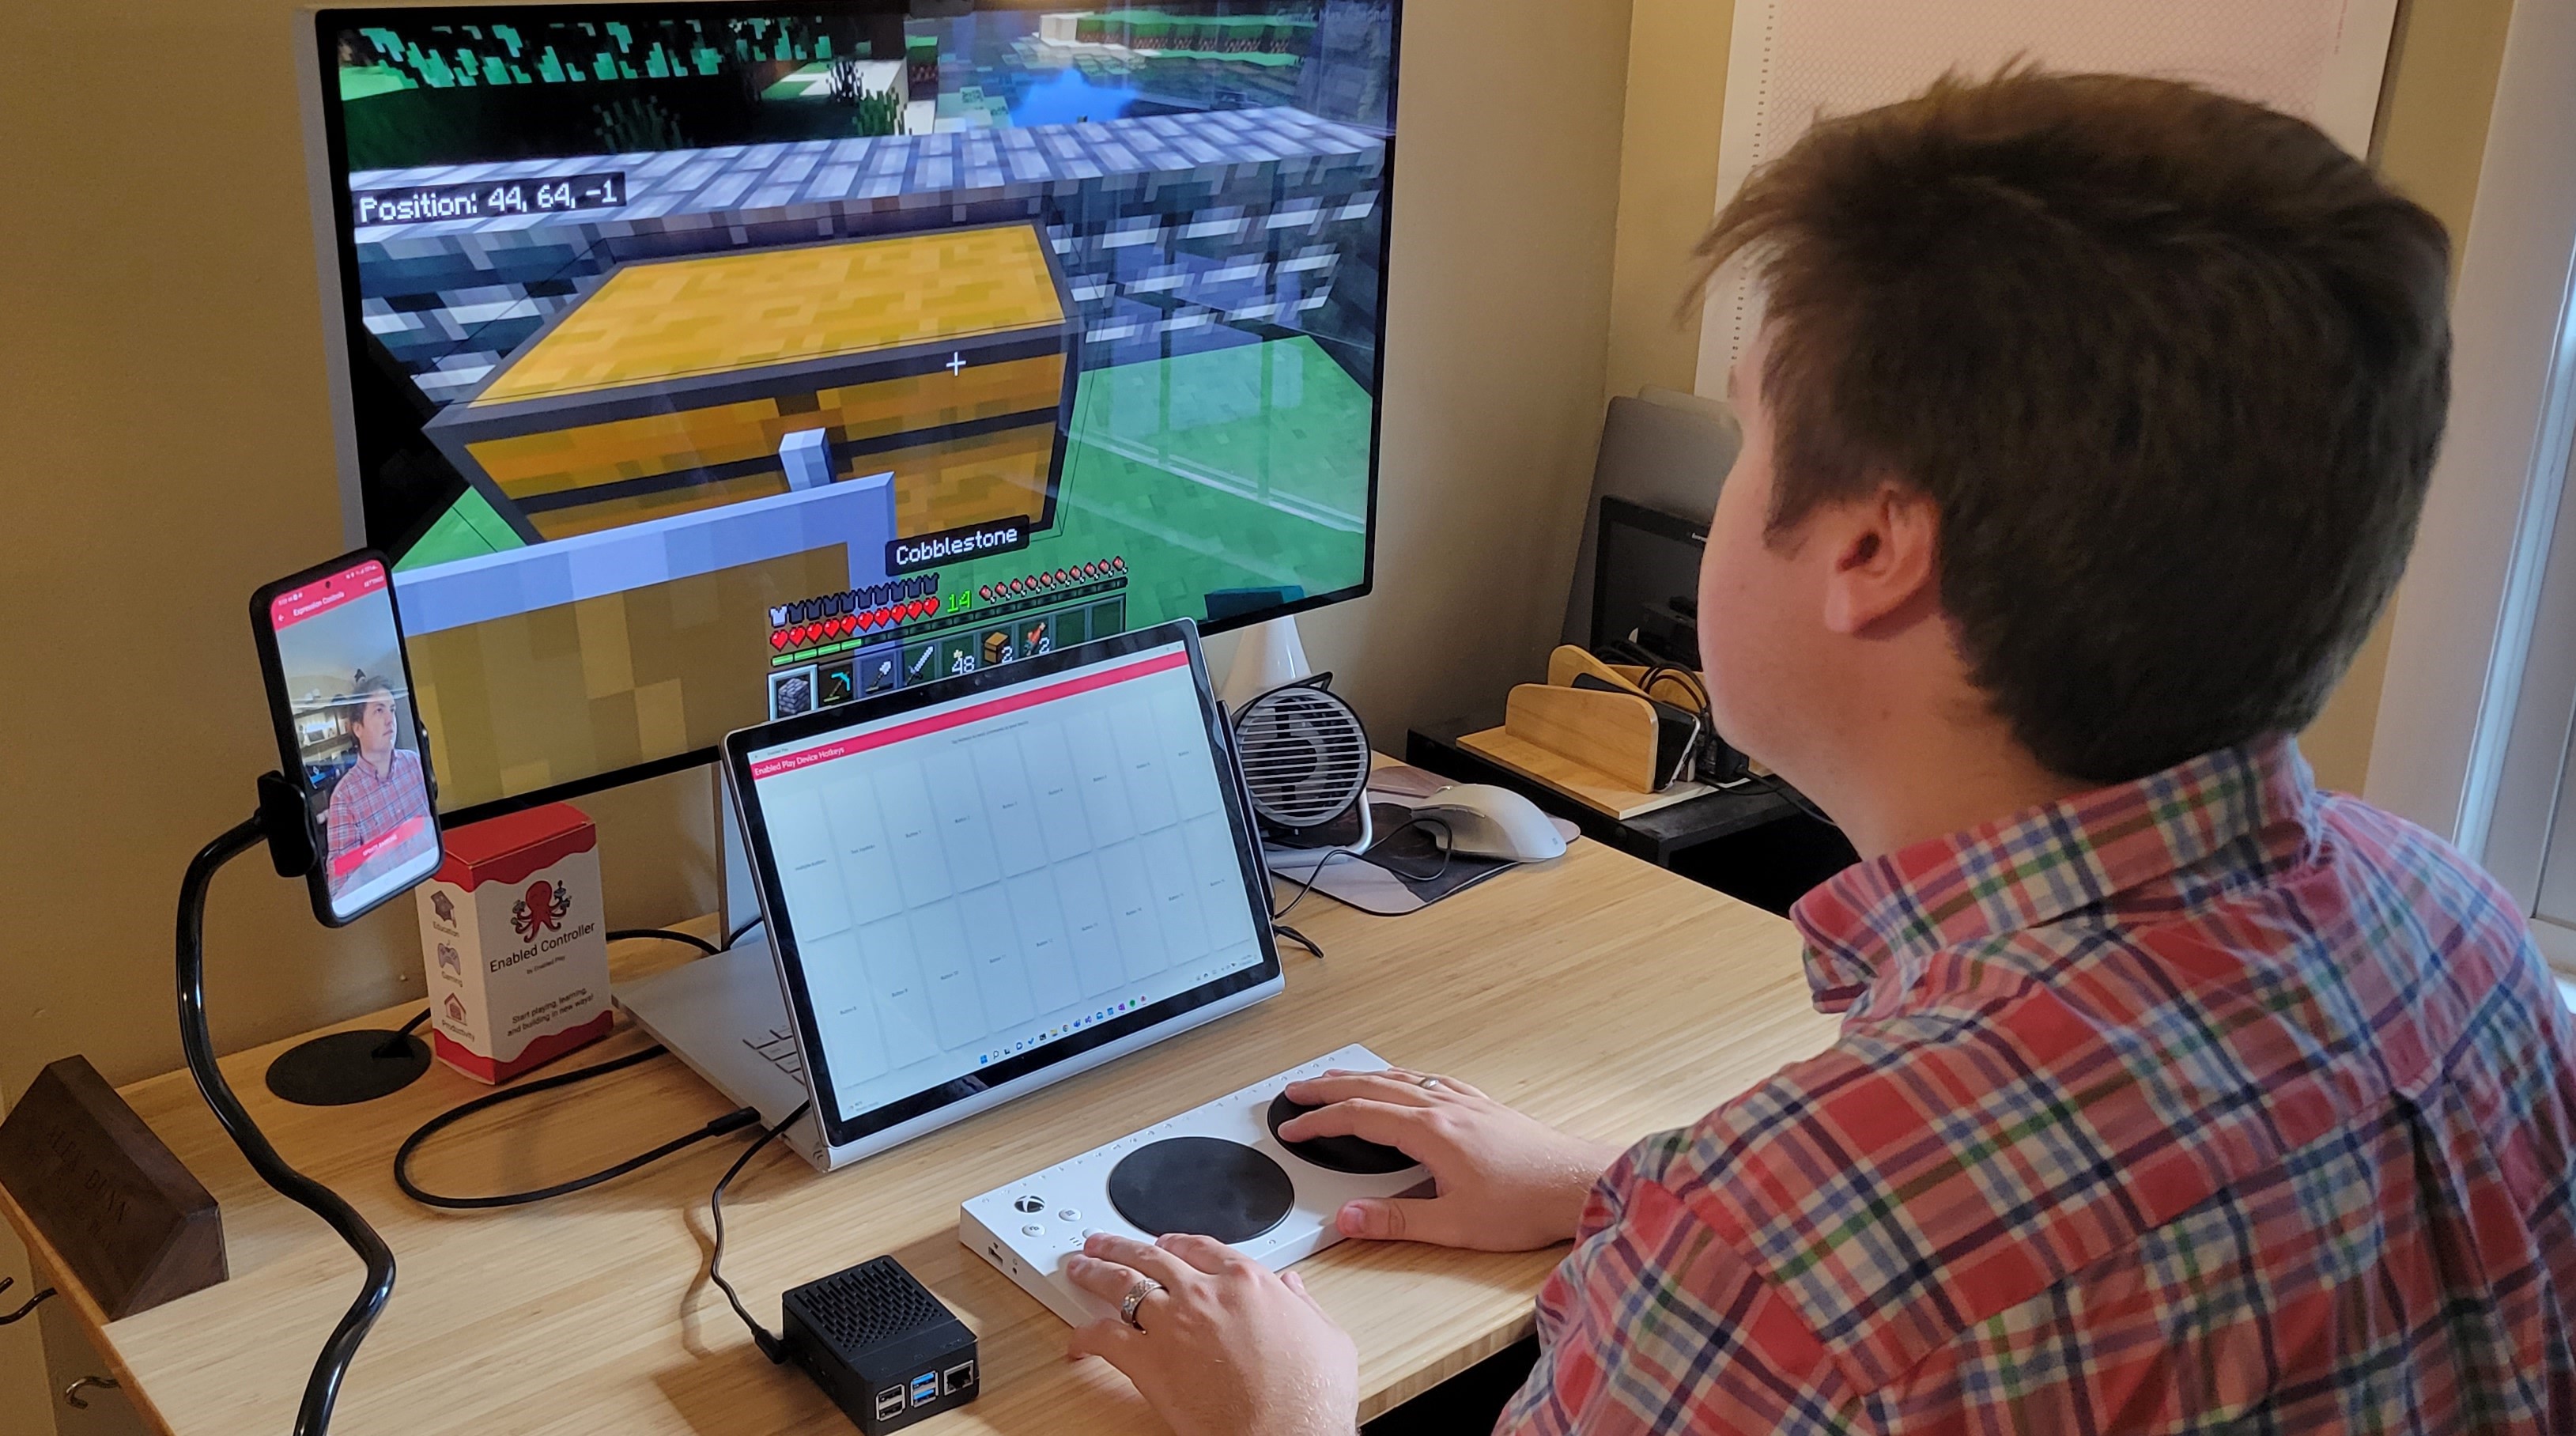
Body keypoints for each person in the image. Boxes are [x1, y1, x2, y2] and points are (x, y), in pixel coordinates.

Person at [1056, 69, 2576, 1434]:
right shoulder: (2455, 934)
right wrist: (1621, 1187)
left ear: (1866, 548)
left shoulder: (1780, 1264)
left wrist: (1285, 1419)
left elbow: (1842, 1265)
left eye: (1747, 442)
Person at [322, 671, 435, 894]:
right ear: (358, 728)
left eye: (391, 709)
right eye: (379, 710)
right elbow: (340, 886)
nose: (389, 719)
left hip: (435, 879)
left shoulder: (414, 763)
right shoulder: (344, 797)